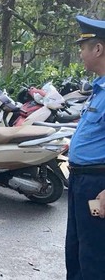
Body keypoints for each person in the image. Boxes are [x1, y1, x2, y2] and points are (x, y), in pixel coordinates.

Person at [65, 15, 105, 280]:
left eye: (83, 47)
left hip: (96, 184)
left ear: (98, 49)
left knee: (94, 256)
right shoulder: (99, 88)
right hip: (82, 181)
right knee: (77, 250)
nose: (80, 53)